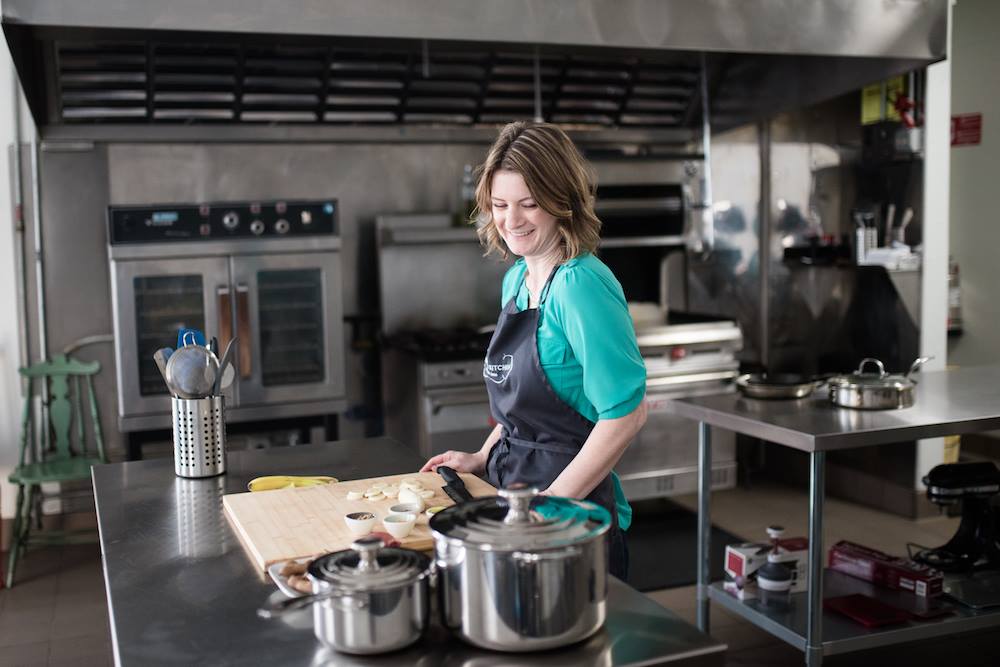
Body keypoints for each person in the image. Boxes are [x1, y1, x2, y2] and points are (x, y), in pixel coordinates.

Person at [420, 121, 647, 579]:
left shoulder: (580, 285)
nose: (511, 220)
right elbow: (520, 413)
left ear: (562, 202)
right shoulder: (517, 280)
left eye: (529, 204)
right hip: (515, 502)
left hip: (574, 524)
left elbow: (625, 414)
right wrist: (483, 457)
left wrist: (549, 508)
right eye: (500, 205)